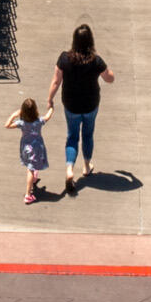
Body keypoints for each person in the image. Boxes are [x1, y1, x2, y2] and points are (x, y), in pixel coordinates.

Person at [43, 24, 115, 196]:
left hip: (71, 104)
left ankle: (69, 168)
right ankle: (87, 165)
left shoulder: (64, 59)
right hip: (90, 104)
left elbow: (55, 81)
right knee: (88, 135)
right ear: (91, 41)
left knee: (72, 136)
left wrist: (50, 99)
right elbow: (110, 79)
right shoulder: (96, 61)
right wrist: (107, 70)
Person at [4, 97, 49, 206]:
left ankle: (33, 178)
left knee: (31, 165)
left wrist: (13, 115)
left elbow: (7, 125)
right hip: (36, 148)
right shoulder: (38, 122)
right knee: (30, 169)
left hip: (25, 148)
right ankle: (28, 195)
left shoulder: (21, 123)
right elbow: (48, 117)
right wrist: (51, 107)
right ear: (36, 110)